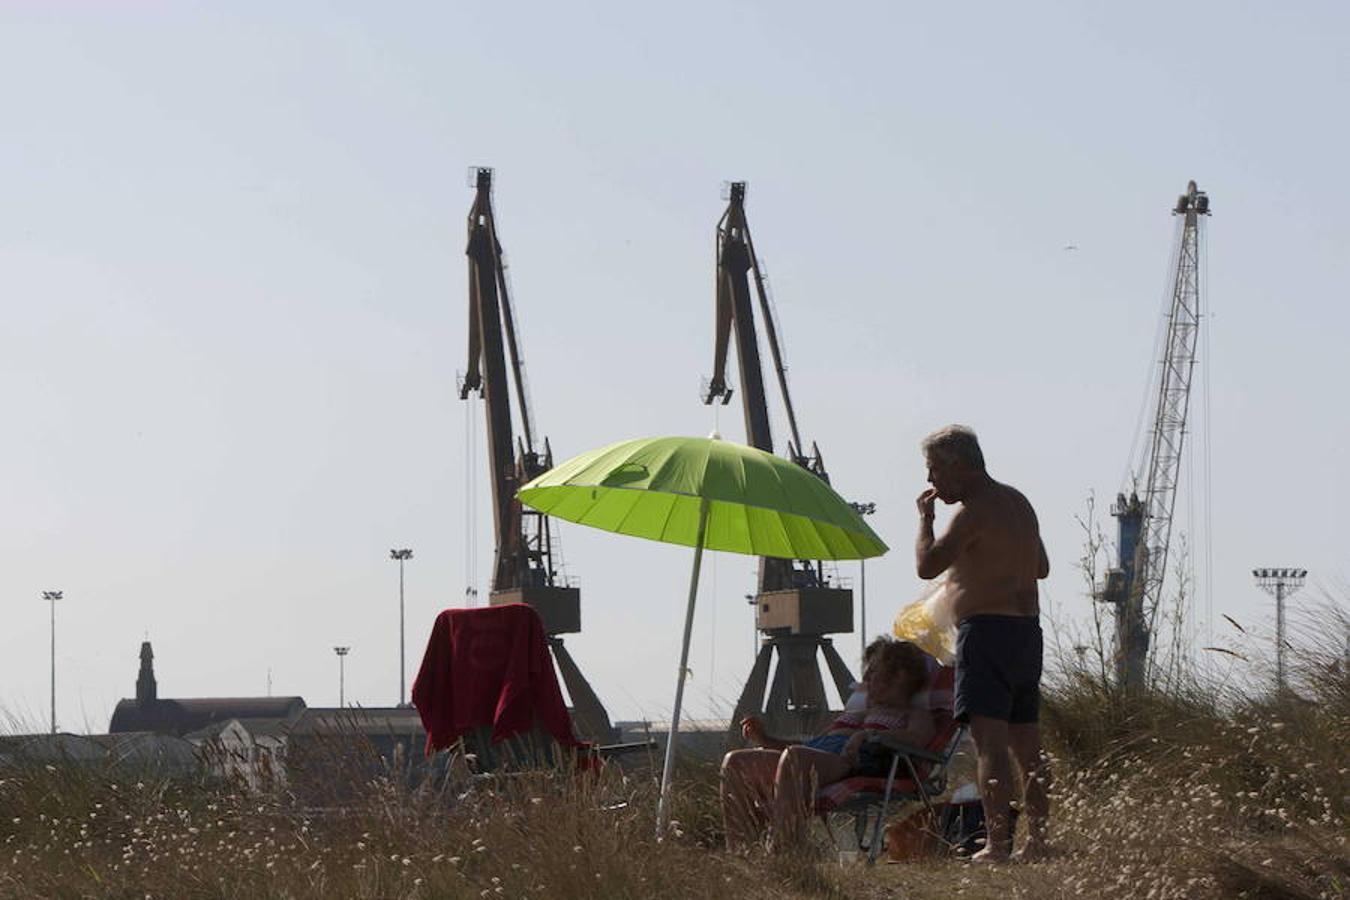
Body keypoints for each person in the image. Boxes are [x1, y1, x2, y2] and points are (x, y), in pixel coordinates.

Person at [914, 424, 1051, 862]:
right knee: (1028, 746)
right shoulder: (1018, 503)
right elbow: (1042, 567)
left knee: (990, 744)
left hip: (987, 634)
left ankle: (997, 845)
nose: (931, 481)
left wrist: (925, 521)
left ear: (959, 466)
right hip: (1025, 633)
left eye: (934, 470)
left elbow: (927, 565)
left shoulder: (971, 512)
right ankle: (1039, 842)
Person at [720, 637, 935, 851]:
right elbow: (808, 747)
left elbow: (918, 738)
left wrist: (866, 735)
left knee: (796, 758)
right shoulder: (859, 714)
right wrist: (766, 740)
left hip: (854, 763)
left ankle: (785, 850)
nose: (866, 680)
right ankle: (740, 852)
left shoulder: (914, 713)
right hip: (819, 757)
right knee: (736, 762)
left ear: (899, 677)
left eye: (874, 672)